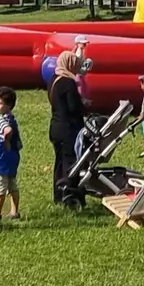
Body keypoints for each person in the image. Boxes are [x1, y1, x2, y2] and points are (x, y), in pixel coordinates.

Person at [48, 51, 87, 208]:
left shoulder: (54, 79)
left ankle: (58, 193)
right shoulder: (68, 82)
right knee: (71, 162)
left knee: (59, 162)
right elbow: (73, 107)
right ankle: (70, 194)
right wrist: (83, 105)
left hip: (55, 126)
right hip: (68, 128)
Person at [0, 86, 22, 221]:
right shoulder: (11, 118)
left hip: (1, 160)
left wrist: (6, 139)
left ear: (8, 105)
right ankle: (14, 211)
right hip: (12, 159)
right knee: (12, 185)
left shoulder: (3, 121)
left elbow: (7, 130)